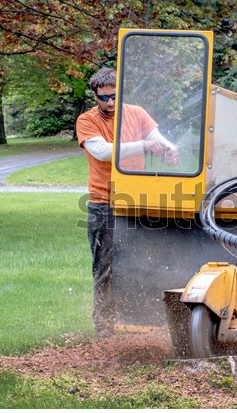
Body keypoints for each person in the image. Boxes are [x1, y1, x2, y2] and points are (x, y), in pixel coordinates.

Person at [76, 67, 178, 337]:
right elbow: (104, 152)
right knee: (105, 269)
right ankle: (105, 331)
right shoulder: (86, 121)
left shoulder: (137, 112)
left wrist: (170, 150)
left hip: (138, 202)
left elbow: (159, 139)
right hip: (104, 204)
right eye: (103, 98)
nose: (109, 103)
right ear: (95, 96)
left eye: (113, 97)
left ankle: (144, 323)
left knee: (144, 263)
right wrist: (144, 146)